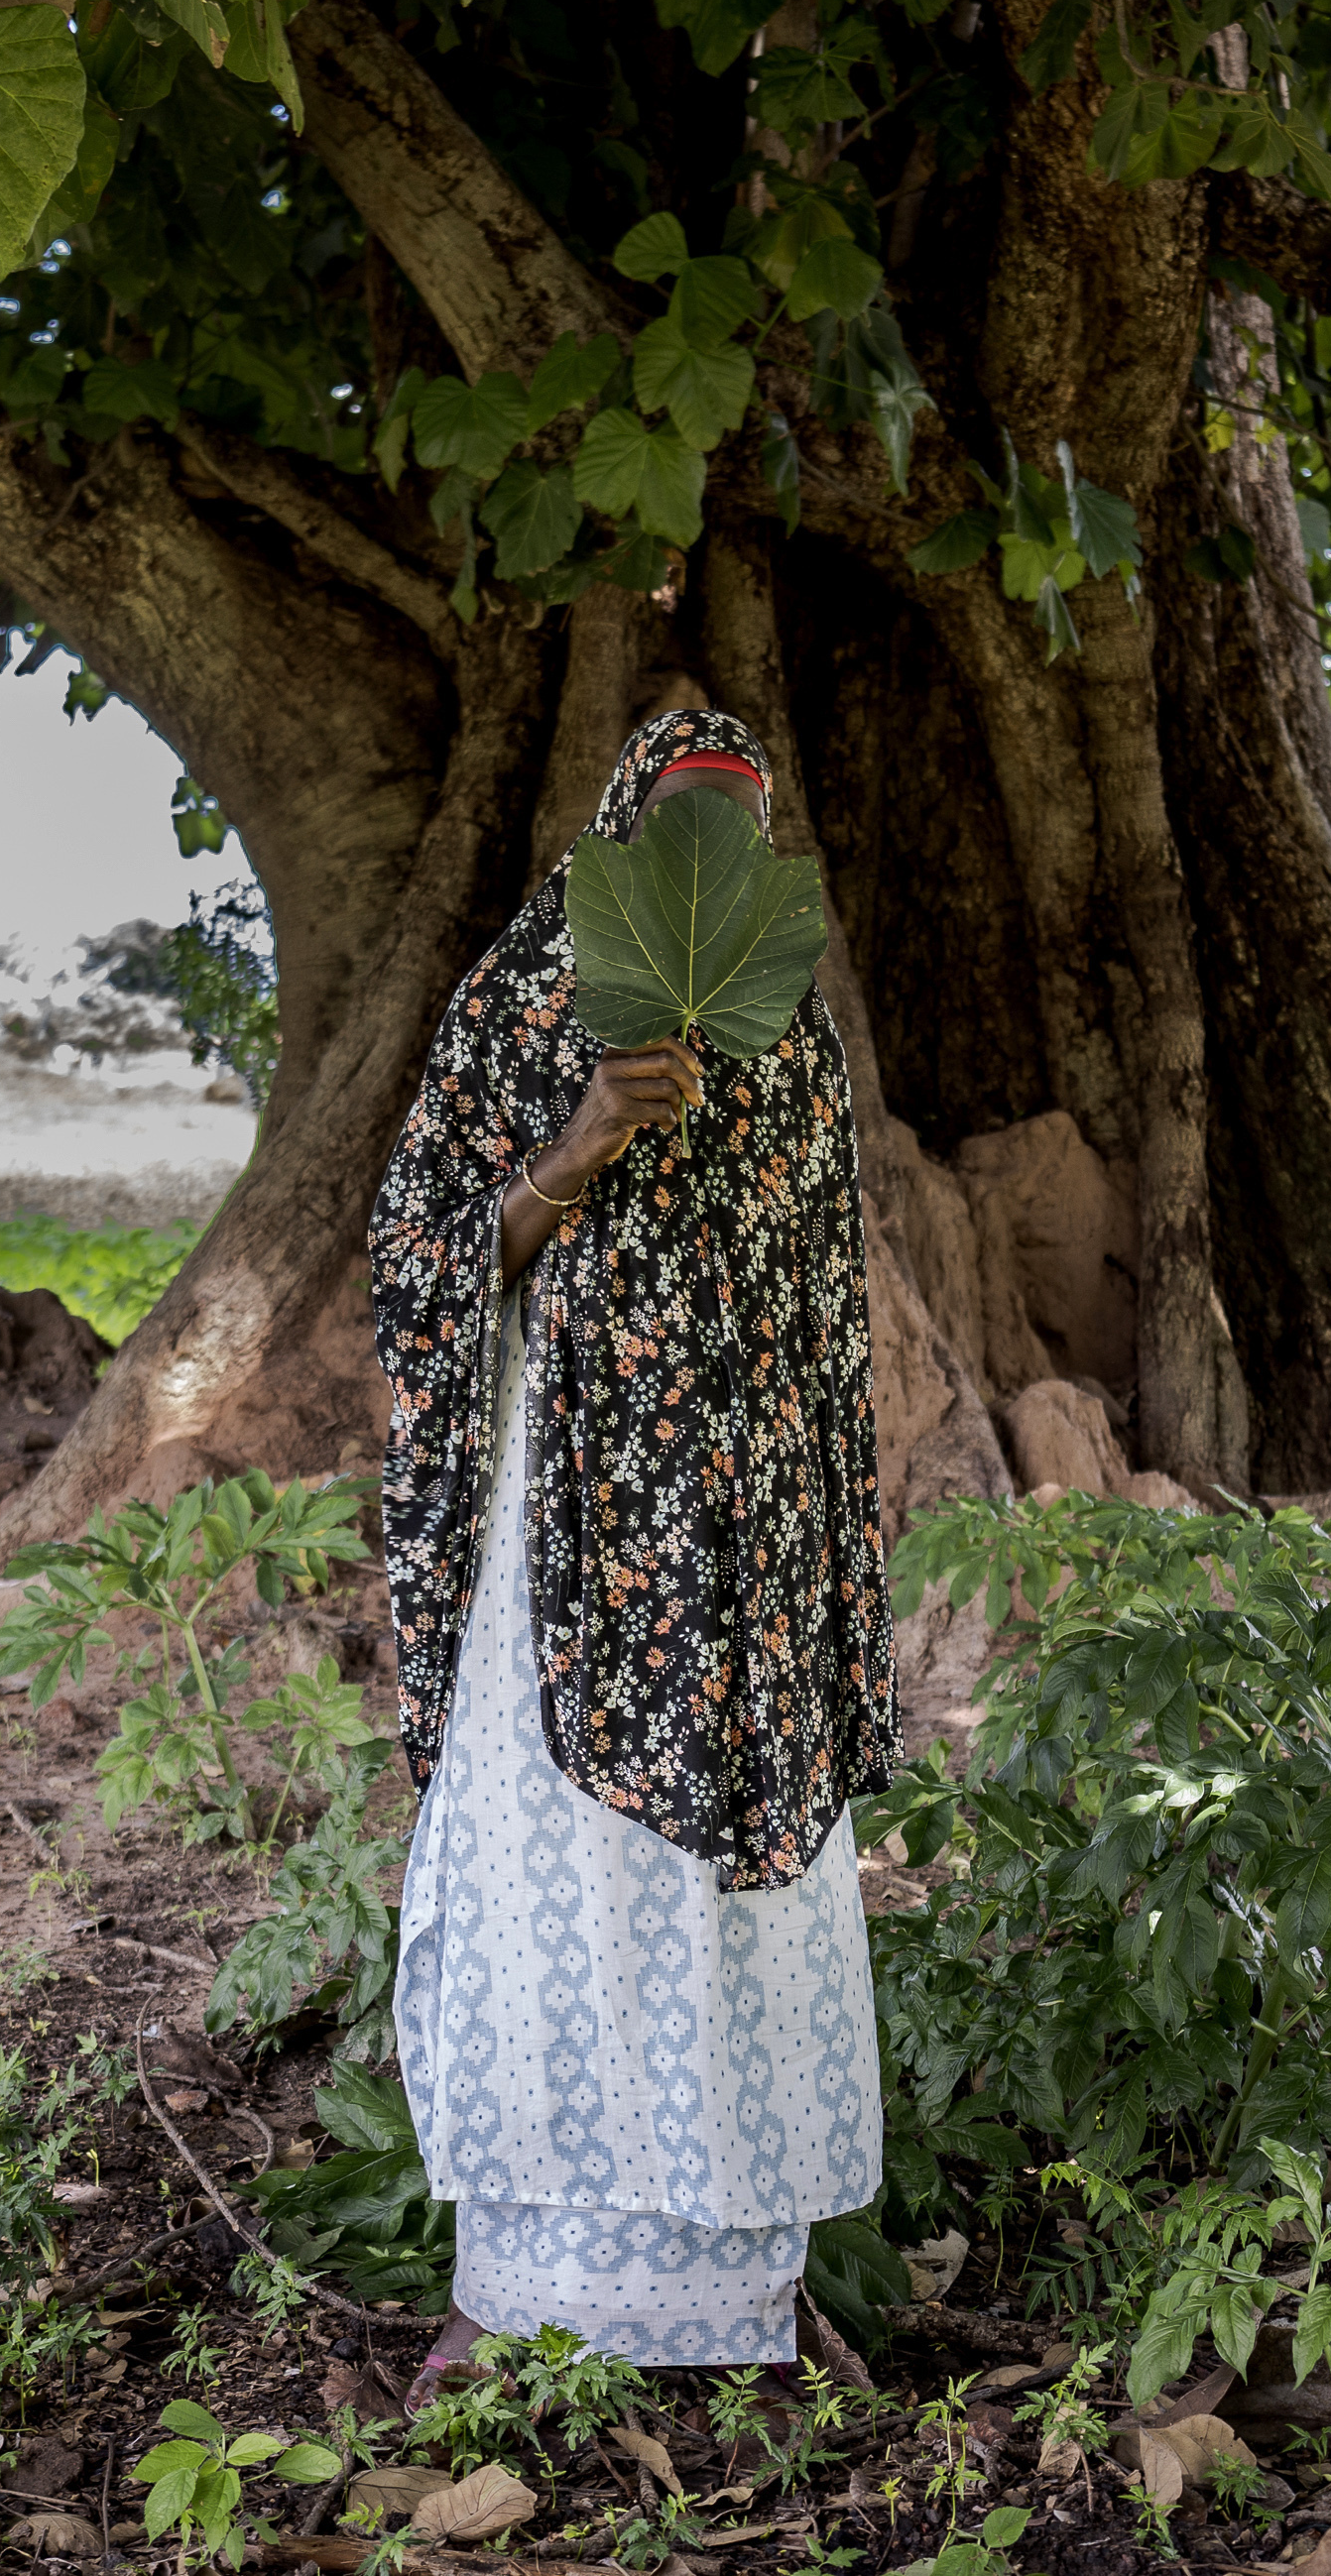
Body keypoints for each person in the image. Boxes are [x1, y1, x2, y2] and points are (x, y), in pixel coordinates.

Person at [367, 707, 895, 2397]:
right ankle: (518, 2292)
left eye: (739, 835)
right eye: (679, 830)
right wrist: (577, 1144)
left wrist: (813, 1565)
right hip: (572, 1546)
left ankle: (746, 2292)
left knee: (732, 1913)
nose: (707, 866)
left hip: (736, 1568)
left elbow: (824, 1325)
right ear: (620, 837)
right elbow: (418, 1264)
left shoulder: (788, 1038)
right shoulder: (523, 1004)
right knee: (561, 1888)